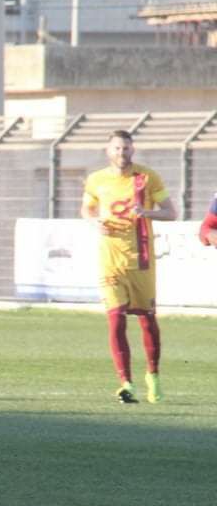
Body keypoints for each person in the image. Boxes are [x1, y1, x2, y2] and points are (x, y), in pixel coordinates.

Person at [81, 130, 177, 404]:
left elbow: (171, 212)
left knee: (148, 321)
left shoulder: (146, 177)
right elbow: (87, 209)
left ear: (132, 150)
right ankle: (126, 383)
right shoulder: (96, 180)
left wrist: (147, 212)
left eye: (125, 148)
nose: (121, 153)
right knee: (115, 319)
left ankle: (153, 375)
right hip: (110, 260)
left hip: (141, 260)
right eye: (117, 148)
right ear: (108, 151)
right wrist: (94, 221)